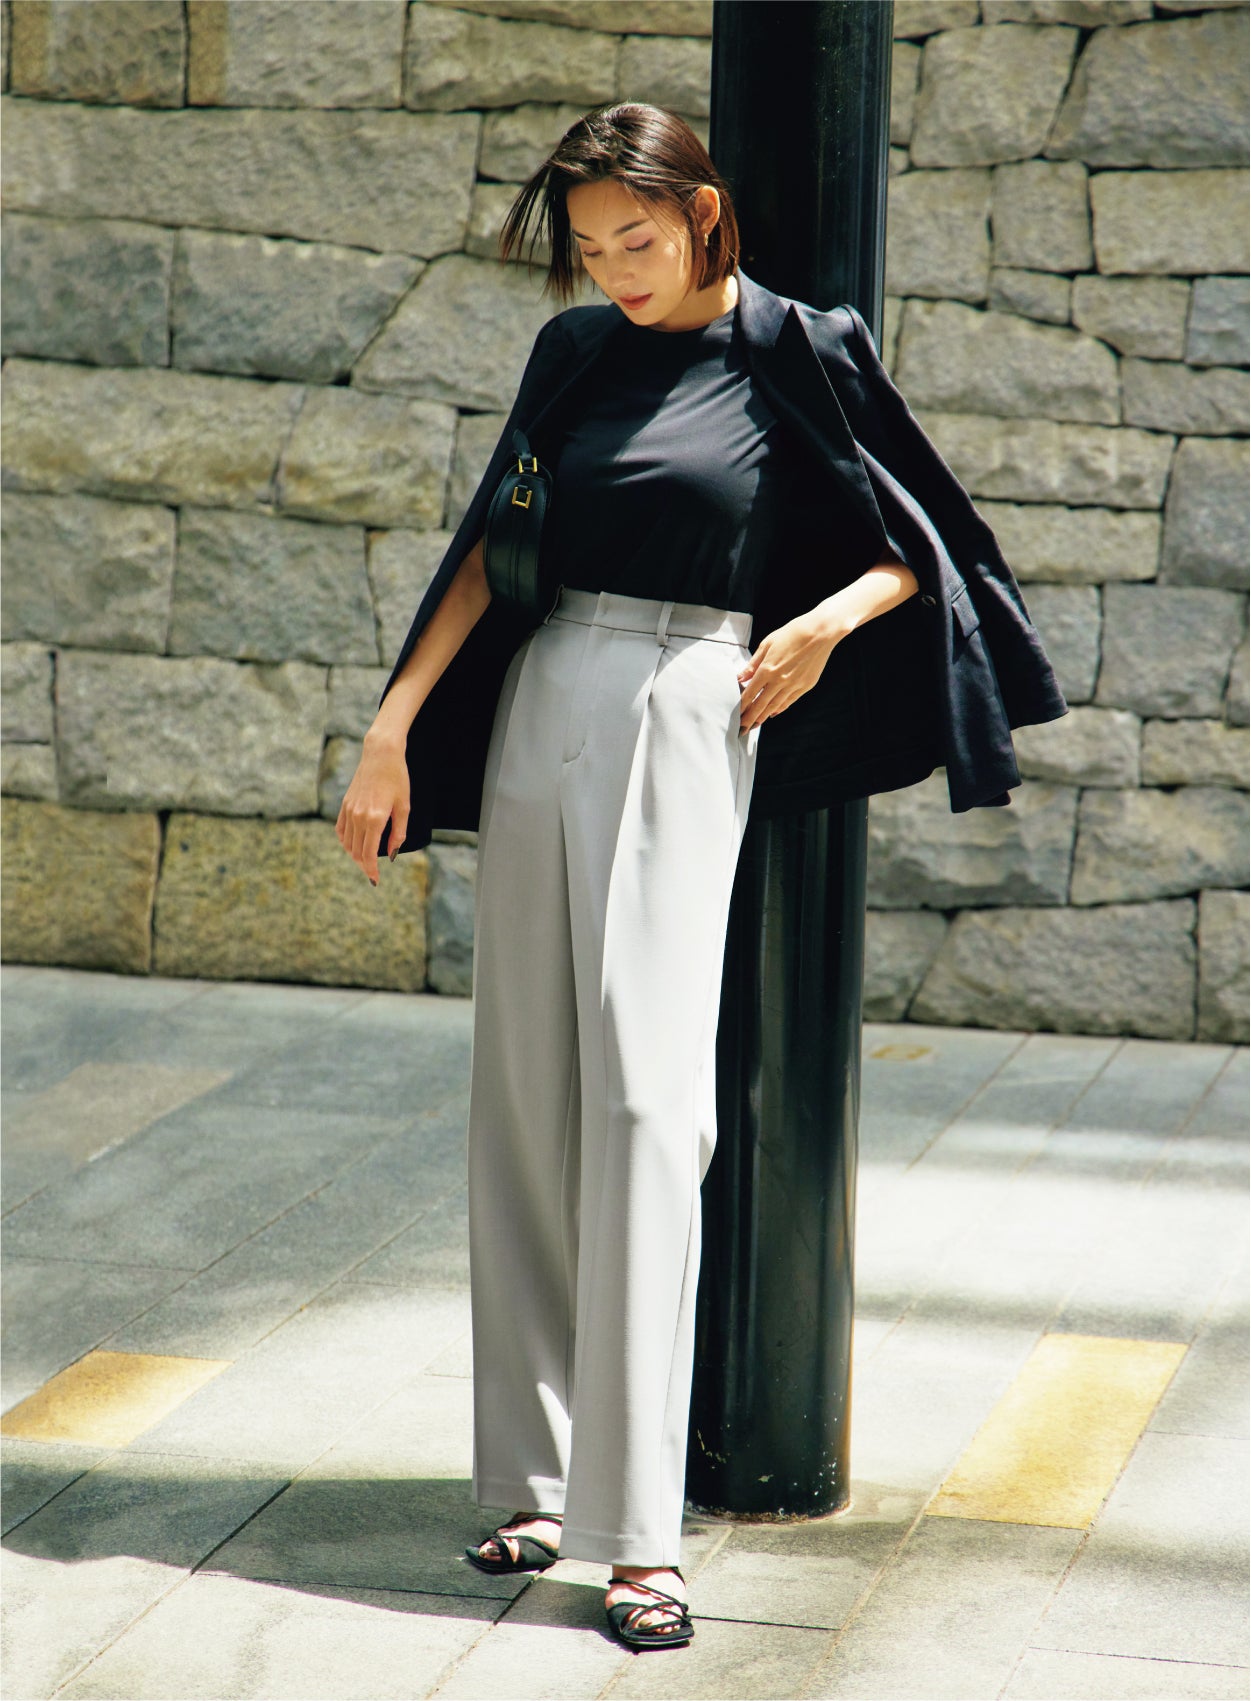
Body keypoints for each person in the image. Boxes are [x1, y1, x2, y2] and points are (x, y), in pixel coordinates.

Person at [336, 102, 1063, 1652]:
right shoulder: (575, 354)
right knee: (523, 1092)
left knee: (651, 1107)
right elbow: (488, 544)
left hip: (690, 701)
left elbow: (923, 540)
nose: (617, 269)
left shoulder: (798, 346)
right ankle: (532, 1481)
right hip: (545, 693)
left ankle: (638, 1539)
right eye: (592, 246)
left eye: (639, 238)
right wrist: (391, 729)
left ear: (704, 213)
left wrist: (820, 626)